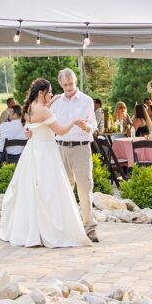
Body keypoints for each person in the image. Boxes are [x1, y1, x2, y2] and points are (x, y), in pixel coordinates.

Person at [0, 78, 92, 248]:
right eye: (49, 92)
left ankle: (33, 229)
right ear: (41, 93)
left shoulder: (29, 108)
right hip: (46, 153)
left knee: (32, 192)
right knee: (49, 193)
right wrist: (75, 122)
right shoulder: (44, 112)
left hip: (33, 151)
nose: (51, 94)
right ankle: (50, 230)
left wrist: (54, 100)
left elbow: (34, 123)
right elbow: (61, 131)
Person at [50, 69, 98, 243]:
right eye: (65, 85)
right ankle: (66, 227)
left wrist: (86, 127)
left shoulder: (86, 101)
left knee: (84, 189)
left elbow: (93, 125)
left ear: (75, 81)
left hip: (80, 148)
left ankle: (89, 228)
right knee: (64, 189)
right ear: (61, 84)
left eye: (71, 84)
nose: (68, 87)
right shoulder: (56, 102)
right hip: (61, 148)